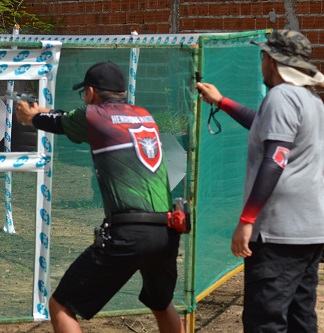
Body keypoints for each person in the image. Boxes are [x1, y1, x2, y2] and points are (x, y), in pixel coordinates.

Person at [16, 61, 185, 333]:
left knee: (61, 306)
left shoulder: (94, 116)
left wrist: (30, 117)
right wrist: (43, 112)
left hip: (131, 231)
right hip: (167, 229)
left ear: (91, 92)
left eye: (84, 93)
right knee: (162, 304)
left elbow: (62, 122)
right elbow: (69, 117)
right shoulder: (143, 115)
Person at [196, 30, 324, 333]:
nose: (261, 62)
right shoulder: (312, 100)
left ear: (275, 61)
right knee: (300, 317)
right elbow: (263, 125)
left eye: (264, 56)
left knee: (265, 321)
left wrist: (247, 219)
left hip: (278, 233)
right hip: (309, 232)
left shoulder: (280, 97)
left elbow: (275, 159)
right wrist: (221, 101)